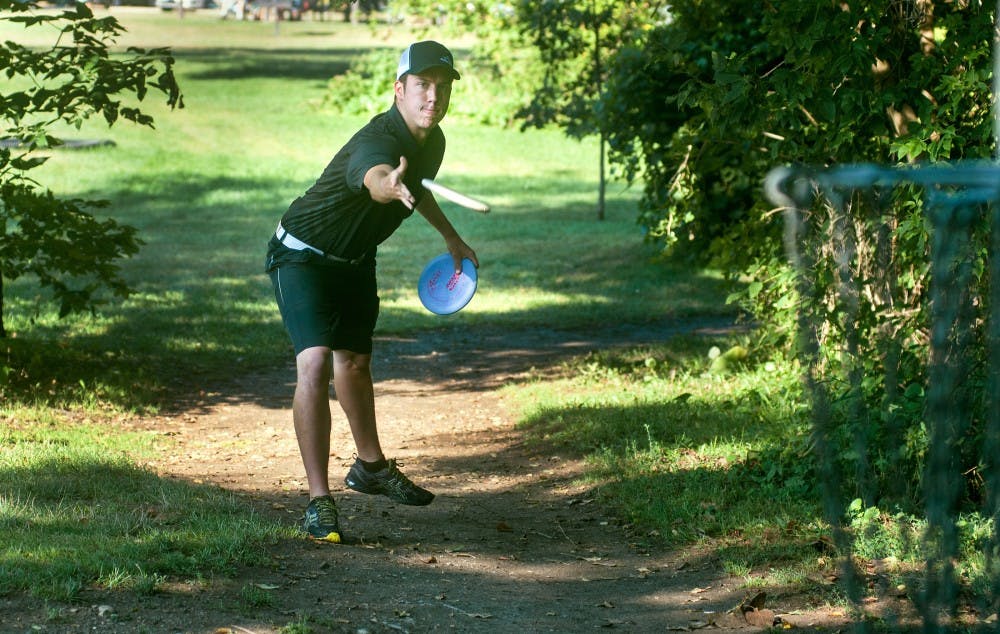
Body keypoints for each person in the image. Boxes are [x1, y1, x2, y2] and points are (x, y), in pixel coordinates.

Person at [265, 40, 478, 544]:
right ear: (399, 89)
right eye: (423, 86)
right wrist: (388, 185)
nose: (433, 97)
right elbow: (377, 177)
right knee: (315, 363)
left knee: (355, 365)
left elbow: (416, 186)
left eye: (442, 88)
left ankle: (371, 467)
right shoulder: (377, 140)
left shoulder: (434, 140)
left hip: (355, 261)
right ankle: (319, 502)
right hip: (302, 256)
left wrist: (450, 236)